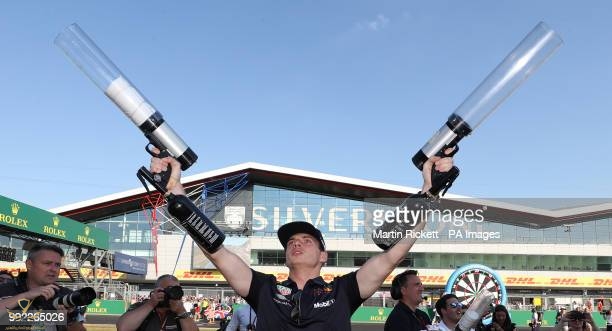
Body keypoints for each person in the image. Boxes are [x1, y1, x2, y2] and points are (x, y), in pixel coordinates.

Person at [150, 147, 454, 330]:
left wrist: (429, 193)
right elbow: (217, 250)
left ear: (324, 255)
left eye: (307, 240)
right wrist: (175, 191)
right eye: (291, 241)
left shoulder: (344, 291)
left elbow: (392, 256)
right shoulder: (264, 289)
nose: (297, 242)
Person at [0, 243, 83, 331]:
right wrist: (25, 296)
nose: (53, 269)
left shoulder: (65, 295)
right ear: (29, 264)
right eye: (47, 263)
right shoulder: (5, 289)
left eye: (57, 265)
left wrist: (68, 320)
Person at [116, 274, 198, 331]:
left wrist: (181, 311)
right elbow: (123, 328)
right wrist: (150, 304)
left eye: (176, 289)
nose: (173, 293)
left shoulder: (179, 312)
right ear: (157, 290)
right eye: (169, 289)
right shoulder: (141, 307)